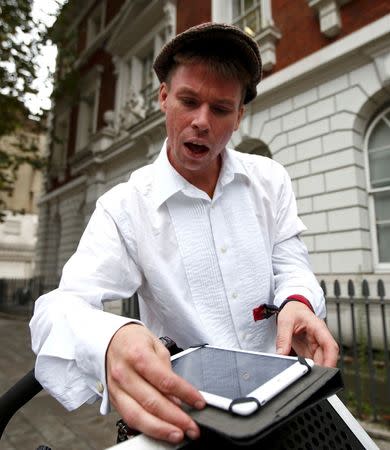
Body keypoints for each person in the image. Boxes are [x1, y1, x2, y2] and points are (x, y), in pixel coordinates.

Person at [30, 22, 339, 445]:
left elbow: (291, 262)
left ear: (239, 116)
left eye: (221, 109)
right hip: (190, 417)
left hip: (285, 398)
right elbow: (57, 310)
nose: (201, 122)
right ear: (163, 98)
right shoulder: (125, 207)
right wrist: (111, 338)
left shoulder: (271, 180)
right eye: (188, 101)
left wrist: (299, 302)